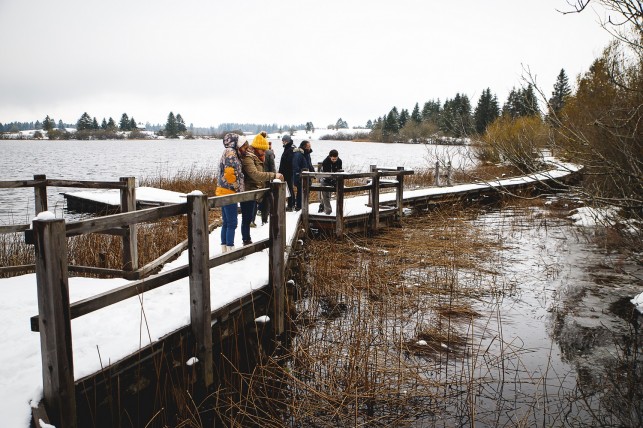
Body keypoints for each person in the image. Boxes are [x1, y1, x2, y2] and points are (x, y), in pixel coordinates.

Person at [240, 132, 284, 245]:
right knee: (247, 218)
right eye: (262, 150)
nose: (264, 152)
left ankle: (247, 238)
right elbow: (255, 174)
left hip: (256, 190)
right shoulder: (248, 158)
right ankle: (246, 240)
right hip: (248, 191)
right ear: (256, 147)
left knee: (248, 216)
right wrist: (273, 175)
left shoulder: (257, 156)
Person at [216, 133, 248, 253]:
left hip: (223, 190)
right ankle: (230, 249)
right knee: (232, 223)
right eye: (244, 146)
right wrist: (237, 187)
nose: (245, 148)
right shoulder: (231, 153)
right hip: (229, 192)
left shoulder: (228, 151)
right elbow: (230, 174)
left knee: (226, 222)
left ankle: (224, 248)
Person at [318, 149, 343, 215]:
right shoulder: (325, 162)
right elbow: (326, 175)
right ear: (330, 157)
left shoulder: (339, 161)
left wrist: (336, 181)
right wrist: (332, 181)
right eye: (333, 159)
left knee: (330, 194)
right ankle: (328, 211)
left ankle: (322, 205)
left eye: (336, 159)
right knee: (326, 195)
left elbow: (339, 171)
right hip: (325, 178)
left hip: (334, 179)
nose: (334, 160)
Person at [292, 140, 314, 211]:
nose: (310, 148)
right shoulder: (298, 154)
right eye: (308, 146)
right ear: (304, 146)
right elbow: (295, 166)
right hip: (300, 177)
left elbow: (309, 165)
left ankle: (304, 206)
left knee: (306, 191)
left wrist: (313, 173)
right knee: (300, 192)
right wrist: (298, 176)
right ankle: (299, 207)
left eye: (310, 146)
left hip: (307, 177)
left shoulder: (307, 154)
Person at [258, 135, 276, 224]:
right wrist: (274, 177)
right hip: (268, 178)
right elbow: (272, 166)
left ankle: (254, 218)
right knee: (267, 199)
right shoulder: (269, 153)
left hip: (258, 178)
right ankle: (265, 218)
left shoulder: (256, 152)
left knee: (258, 198)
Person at [278, 134, 295, 211]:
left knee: (289, 188)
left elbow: (288, 162)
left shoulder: (290, 149)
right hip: (286, 172)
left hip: (288, 172)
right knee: (288, 188)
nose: (282, 143)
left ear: (286, 141)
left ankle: (291, 205)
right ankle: (291, 204)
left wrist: (282, 171)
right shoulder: (288, 148)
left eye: (283, 141)